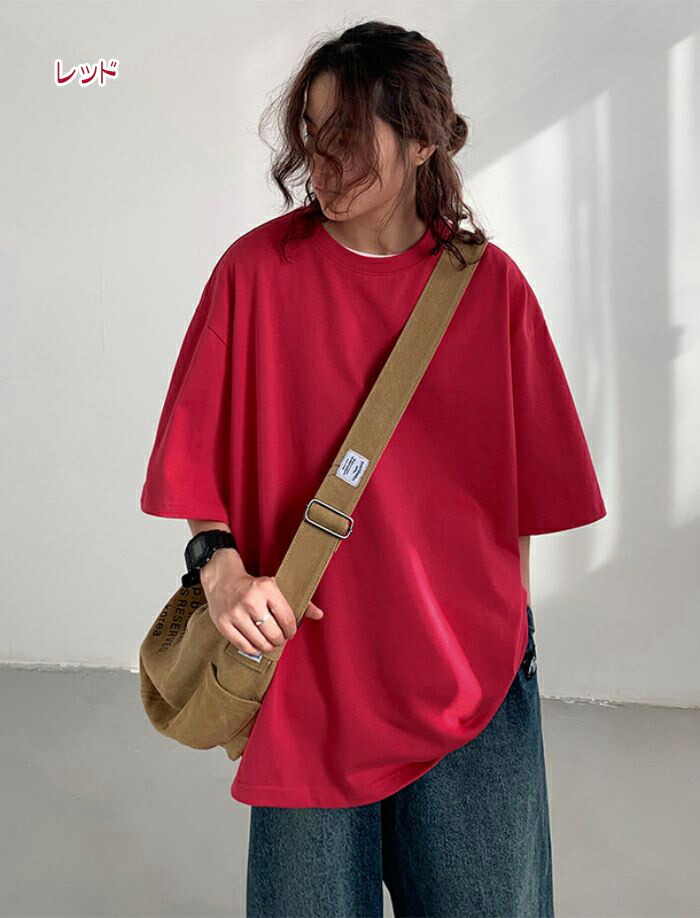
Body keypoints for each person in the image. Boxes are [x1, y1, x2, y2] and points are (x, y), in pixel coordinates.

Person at [140, 20, 607, 918]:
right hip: (309, 680)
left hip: (466, 681)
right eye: (313, 133)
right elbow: (192, 463)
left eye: (350, 135)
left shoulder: (492, 290)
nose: (323, 159)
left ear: (423, 139)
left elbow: (529, 506)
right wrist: (221, 570)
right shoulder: (254, 275)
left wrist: (496, 643)